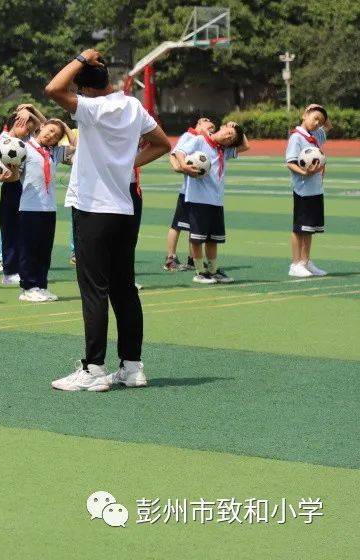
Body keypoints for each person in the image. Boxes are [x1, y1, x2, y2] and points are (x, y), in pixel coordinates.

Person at [45, 49, 170, 392]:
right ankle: (132, 367)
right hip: (125, 206)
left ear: (83, 89)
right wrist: (130, 164)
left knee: (94, 290)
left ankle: (94, 368)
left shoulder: (90, 109)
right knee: (124, 288)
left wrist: (80, 57)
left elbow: (53, 89)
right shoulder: (131, 105)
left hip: (93, 207)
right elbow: (162, 144)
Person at [173, 121, 249, 284]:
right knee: (197, 238)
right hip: (198, 199)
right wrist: (184, 166)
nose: (229, 137)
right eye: (229, 132)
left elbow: (245, 146)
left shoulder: (223, 150)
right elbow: (180, 151)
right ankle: (200, 271)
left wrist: (237, 129)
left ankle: (213, 271)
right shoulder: (200, 140)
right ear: (222, 127)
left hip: (216, 201)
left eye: (231, 138)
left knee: (213, 239)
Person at [16, 118, 76, 303]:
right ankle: (28, 288)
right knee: (30, 249)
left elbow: (77, 146)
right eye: (49, 131)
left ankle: (41, 285)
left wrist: (64, 126)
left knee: (44, 249)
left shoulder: (53, 153)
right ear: (41, 128)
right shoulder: (24, 148)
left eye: (56, 136)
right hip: (29, 206)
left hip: (48, 208)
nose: (51, 136)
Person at [0, 105, 43, 286]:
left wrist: (31, 110)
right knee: (11, 230)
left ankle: (24, 268)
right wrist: (0, 178)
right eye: (27, 126)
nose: (31, 129)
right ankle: (9, 272)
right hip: (12, 188)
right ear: (18, 123)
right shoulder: (5, 140)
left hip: (30, 189)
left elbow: (45, 124)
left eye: (32, 127)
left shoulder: (31, 140)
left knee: (28, 230)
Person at [163, 117, 216, 271]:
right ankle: (170, 259)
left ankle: (193, 259)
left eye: (213, 127)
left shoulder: (205, 141)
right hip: (186, 192)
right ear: (199, 124)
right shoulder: (189, 136)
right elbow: (174, 155)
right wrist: (180, 168)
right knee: (177, 225)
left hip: (197, 193)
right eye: (208, 123)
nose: (211, 128)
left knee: (194, 226)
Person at [285, 104, 331, 278]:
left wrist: (320, 110)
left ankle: (306, 261)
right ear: (305, 115)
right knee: (299, 228)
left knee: (309, 228)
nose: (317, 123)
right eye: (315, 118)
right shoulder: (297, 137)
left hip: (316, 189)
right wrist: (305, 172)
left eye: (320, 121)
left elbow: (329, 126)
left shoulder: (316, 135)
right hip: (303, 190)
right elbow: (290, 162)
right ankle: (295, 264)